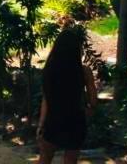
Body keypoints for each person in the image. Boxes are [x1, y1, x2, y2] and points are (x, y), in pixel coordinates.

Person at [38, 28, 98, 164]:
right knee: (71, 160)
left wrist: (41, 124)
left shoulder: (49, 70)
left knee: (45, 157)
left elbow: (46, 98)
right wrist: (89, 111)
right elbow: (93, 98)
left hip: (53, 119)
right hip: (75, 119)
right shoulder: (84, 71)